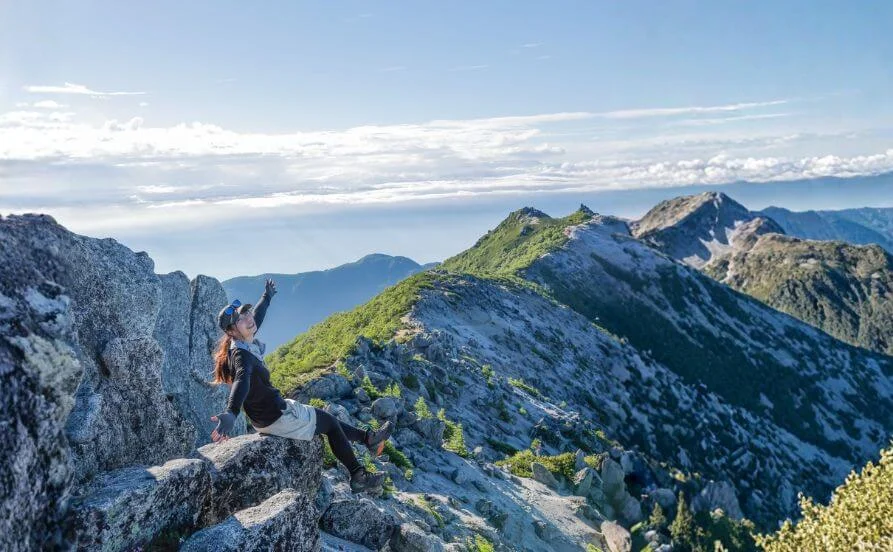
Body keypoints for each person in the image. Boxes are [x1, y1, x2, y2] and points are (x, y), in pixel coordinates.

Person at [209, 278, 391, 493]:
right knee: (331, 425)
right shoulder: (241, 355)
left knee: (327, 419)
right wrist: (231, 412)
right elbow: (242, 379)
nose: (249, 318)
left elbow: (257, 316)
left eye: (246, 312)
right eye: (241, 318)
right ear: (231, 331)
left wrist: (266, 296)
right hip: (275, 417)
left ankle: (368, 438)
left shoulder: (241, 340)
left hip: (271, 410)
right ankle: (358, 475)